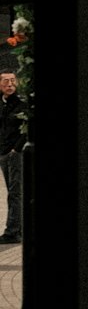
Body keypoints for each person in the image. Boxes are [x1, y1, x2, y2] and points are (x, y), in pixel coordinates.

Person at [0, 68, 25, 244]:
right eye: (5, 81)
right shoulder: (2, 103)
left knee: (15, 192)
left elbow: (26, 130)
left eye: (12, 81)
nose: (10, 84)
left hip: (15, 154)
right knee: (12, 191)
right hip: (3, 153)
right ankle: (18, 228)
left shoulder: (21, 103)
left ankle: (13, 231)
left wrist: (16, 150)